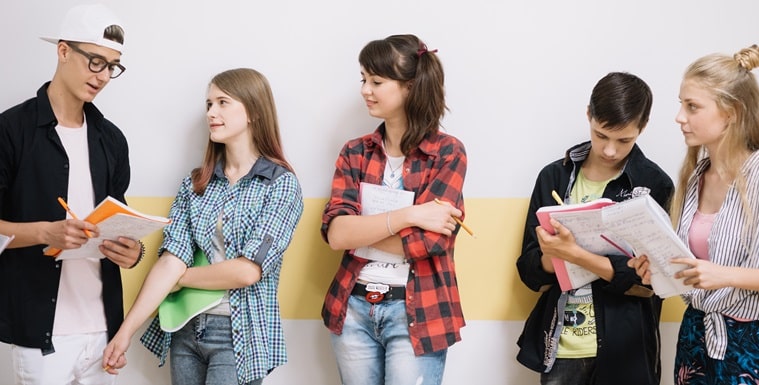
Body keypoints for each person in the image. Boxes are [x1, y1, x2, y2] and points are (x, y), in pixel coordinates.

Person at [101, 68, 304, 384]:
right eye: (209, 104)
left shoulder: (280, 186)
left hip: (238, 333)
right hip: (186, 329)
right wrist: (124, 333)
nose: (212, 112)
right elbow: (171, 259)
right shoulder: (195, 184)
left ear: (253, 111)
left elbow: (247, 271)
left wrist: (180, 279)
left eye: (223, 102)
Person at [630, 45, 759, 385]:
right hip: (694, 338)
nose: (680, 116)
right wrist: (657, 270)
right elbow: (694, 270)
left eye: (692, 106)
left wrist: (725, 275)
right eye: (681, 103)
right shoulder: (695, 177)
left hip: (749, 345)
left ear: (732, 112)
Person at [0, 4, 143, 383]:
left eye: (112, 66)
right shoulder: (11, 131)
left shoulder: (112, 140)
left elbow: (119, 222)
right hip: (42, 337)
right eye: (95, 61)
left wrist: (133, 251)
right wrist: (47, 233)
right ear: (63, 51)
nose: (103, 76)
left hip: (103, 333)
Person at [320, 34, 467, 385]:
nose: (365, 90)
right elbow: (336, 234)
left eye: (377, 81)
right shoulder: (354, 152)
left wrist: (362, 231)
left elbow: (430, 244)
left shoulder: (448, 153)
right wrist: (410, 215)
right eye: (364, 80)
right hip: (352, 307)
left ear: (410, 88)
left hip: (419, 310)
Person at [515, 72, 675, 385]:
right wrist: (552, 254)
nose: (611, 150)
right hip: (561, 347)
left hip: (626, 348)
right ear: (588, 115)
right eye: (601, 135)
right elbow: (528, 271)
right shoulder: (554, 177)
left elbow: (650, 281)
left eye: (624, 140)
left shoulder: (653, 183)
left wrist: (574, 253)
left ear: (642, 127)